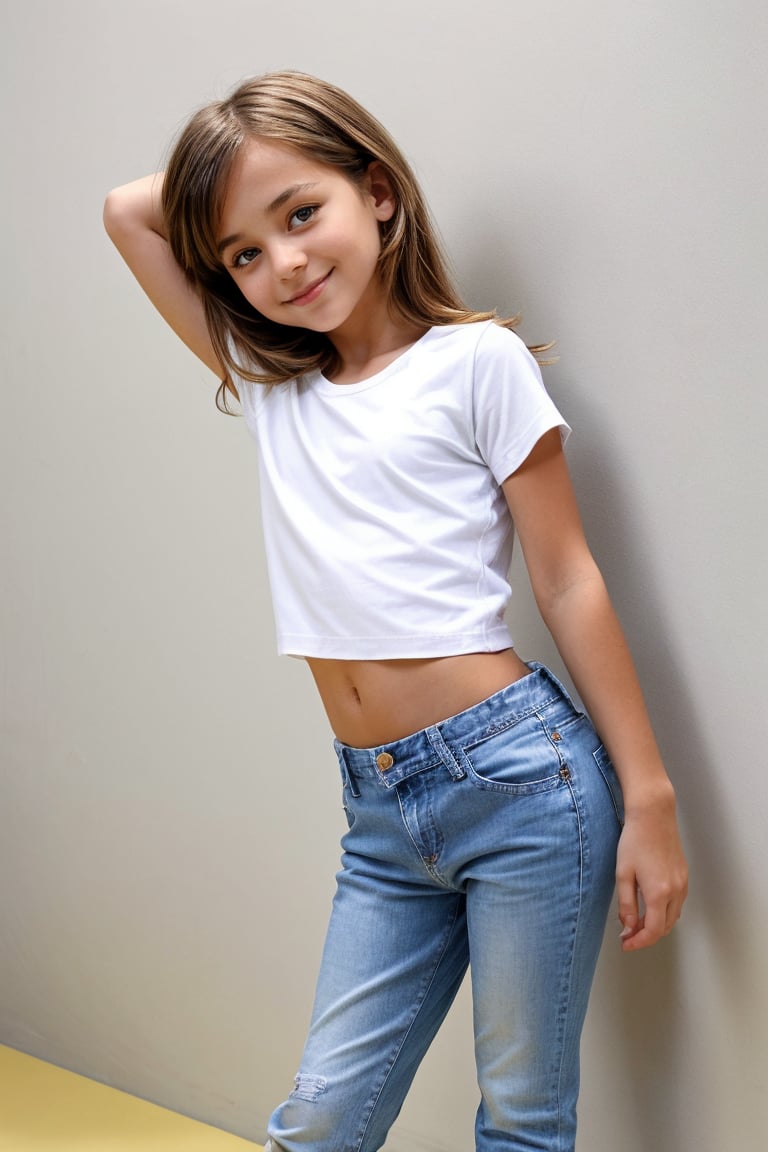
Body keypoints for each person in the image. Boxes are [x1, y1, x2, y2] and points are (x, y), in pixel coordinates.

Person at [103, 70, 688, 1152]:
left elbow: (567, 580)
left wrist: (649, 801)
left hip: (524, 784)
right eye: (242, 252)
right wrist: (238, 151)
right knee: (322, 1119)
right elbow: (126, 213)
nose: (283, 262)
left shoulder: (478, 362)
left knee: (521, 1119)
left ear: (379, 191)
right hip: (378, 813)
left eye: (301, 213)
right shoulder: (278, 391)